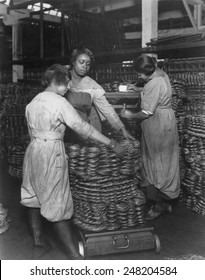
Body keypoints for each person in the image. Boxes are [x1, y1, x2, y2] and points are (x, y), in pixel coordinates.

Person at [21, 64, 126, 260]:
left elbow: (31, 132)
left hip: (33, 151)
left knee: (32, 197)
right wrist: (111, 143)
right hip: (52, 151)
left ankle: (38, 242)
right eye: (66, 84)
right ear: (58, 82)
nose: (68, 88)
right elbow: (82, 128)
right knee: (58, 200)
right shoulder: (60, 103)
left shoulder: (32, 102)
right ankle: (74, 256)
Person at [121, 54, 180, 220]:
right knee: (165, 160)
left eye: (139, 75)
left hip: (157, 124)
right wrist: (140, 89)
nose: (139, 77)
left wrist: (129, 115)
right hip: (166, 120)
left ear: (146, 72)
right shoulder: (161, 74)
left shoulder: (153, 83)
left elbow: (146, 112)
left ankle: (161, 203)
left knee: (158, 161)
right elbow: (158, 91)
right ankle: (165, 200)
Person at [64, 47, 134, 141]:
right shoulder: (62, 79)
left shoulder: (92, 85)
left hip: (83, 127)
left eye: (88, 64)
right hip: (64, 128)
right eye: (81, 62)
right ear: (73, 62)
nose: (85, 66)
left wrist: (122, 128)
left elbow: (106, 108)